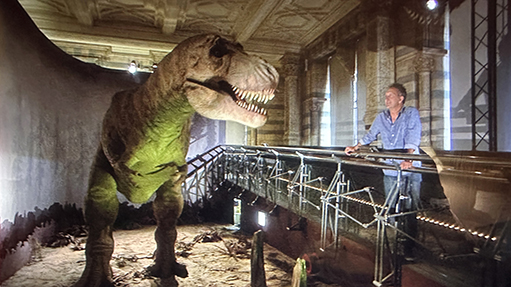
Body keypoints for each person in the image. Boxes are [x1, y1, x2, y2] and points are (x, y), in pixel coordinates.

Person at [345, 83, 422, 259]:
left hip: (410, 169)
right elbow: (370, 135)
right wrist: (355, 147)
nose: (386, 99)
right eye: (386, 96)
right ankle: (394, 242)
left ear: (401, 98)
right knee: (391, 206)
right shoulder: (382, 117)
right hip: (390, 170)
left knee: (410, 210)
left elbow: (413, 135)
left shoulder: (411, 113)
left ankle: (410, 247)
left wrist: (408, 159)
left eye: (390, 96)